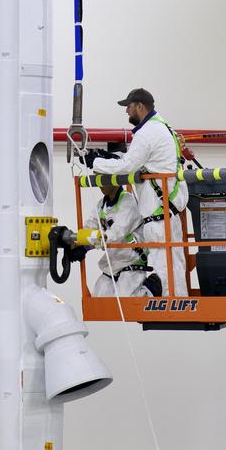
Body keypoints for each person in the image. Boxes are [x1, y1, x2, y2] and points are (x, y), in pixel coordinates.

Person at [91, 88, 189, 296]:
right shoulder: (161, 127)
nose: (127, 111)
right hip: (168, 212)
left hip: (158, 216)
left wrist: (96, 162)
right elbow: (142, 160)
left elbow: (128, 166)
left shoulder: (148, 132)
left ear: (140, 106)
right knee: (174, 263)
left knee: (161, 263)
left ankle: (168, 306)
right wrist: (110, 157)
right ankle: (179, 302)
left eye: (129, 106)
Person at [88, 179, 152, 297]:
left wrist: (94, 240)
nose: (100, 183)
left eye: (103, 179)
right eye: (97, 179)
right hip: (112, 265)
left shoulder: (129, 202)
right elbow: (89, 228)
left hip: (131, 262)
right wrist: (78, 241)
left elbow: (117, 232)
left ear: (115, 180)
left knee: (125, 300)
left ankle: (152, 289)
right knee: (98, 297)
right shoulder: (101, 206)